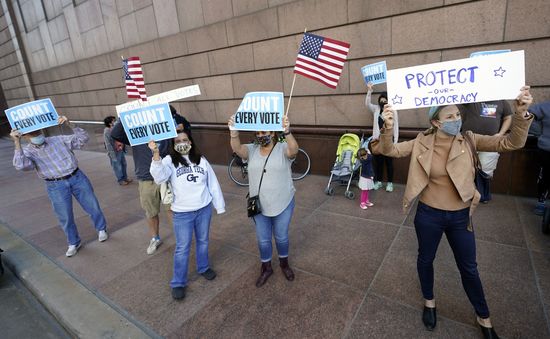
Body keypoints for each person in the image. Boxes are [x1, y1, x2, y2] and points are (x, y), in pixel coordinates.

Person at [371, 86, 533, 339]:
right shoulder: (421, 141)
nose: (456, 120)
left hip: (460, 218)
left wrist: (521, 115)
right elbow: (389, 150)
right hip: (428, 216)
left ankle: (484, 318)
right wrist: (387, 126)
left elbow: (511, 142)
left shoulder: (470, 138)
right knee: (426, 260)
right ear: (435, 121)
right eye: (450, 117)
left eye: (458, 115)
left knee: (469, 268)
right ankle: (429, 302)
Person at [11, 116, 109, 257]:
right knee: (65, 216)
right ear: (25, 136)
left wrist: (70, 124)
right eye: (32, 134)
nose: (37, 135)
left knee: (92, 205)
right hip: (55, 185)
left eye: (38, 132)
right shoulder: (27, 151)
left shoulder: (58, 140)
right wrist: (16, 142)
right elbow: (21, 166)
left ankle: (101, 229)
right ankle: (74, 242)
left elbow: (83, 139)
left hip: (76, 177)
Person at [149, 129, 225, 300]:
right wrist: (155, 154)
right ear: (173, 145)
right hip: (182, 213)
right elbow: (159, 177)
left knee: (203, 241)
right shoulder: (169, 161)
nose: (182, 143)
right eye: (177, 141)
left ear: (190, 142)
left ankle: (203, 267)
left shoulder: (201, 160)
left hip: (203, 208)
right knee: (182, 247)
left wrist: (219, 205)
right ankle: (178, 282)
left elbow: (212, 183)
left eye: (184, 140)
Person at [228, 115, 298, 287]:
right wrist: (234, 133)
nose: (261, 135)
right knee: (263, 240)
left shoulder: (283, 148)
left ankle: (284, 264)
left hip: (283, 201)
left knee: (281, 237)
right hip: (259, 205)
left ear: (273, 132)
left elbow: (294, 150)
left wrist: (287, 132)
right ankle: (266, 267)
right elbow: (238, 149)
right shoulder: (251, 149)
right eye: (258, 132)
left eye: (264, 131)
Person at [111, 121, 172, 255]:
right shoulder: (136, 135)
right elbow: (115, 133)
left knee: (172, 210)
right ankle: (155, 238)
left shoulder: (165, 131)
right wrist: (124, 117)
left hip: (167, 176)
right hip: (146, 178)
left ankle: (181, 238)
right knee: (151, 212)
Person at [457, 100, 513, 203]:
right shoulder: (472, 97)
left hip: (490, 143)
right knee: (464, 168)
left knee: (486, 170)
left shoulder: (502, 102)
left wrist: (501, 134)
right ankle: (465, 194)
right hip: (468, 140)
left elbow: (508, 117)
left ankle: (481, 195)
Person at [365, 82, 399, 192]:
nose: (383, 101)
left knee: (389, 163)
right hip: (377, 140)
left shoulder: (393, 111)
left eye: (385, 99)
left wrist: (396, 141)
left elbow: (396, 126)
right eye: (381, 99)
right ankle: (378, 181)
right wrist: (370, 91)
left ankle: (390, 183)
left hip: (389, 141)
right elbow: (367, 104)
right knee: (378, 163)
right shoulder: (376, 109)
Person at [528, 101, 550, 215]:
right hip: (547, 149)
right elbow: (528, 116)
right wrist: (539, 132)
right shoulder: (545, 106)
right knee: (545, 176)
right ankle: (541, 202)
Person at [103, 116, 132, 185]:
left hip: (120, 150)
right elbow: (108, 144)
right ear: (110, 123)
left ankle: (125, 178)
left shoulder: (116, 129)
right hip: (114, 152)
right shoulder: (107, 131)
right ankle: (120, 180)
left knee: (123, 164)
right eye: (114, 121)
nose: (115, 122)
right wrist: (112, 154)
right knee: (117, 166)